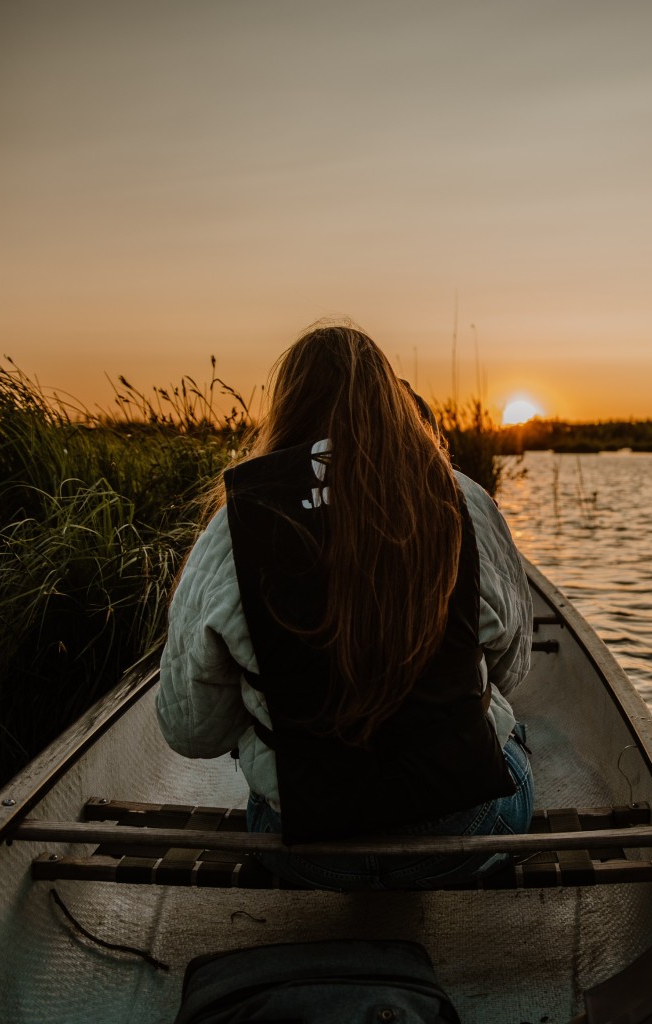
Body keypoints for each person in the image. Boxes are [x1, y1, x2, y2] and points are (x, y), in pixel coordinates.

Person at [156, 323, 534, 889]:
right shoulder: (461, 497)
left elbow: (193, 733)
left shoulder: (236, 524)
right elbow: (513, 668)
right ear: (392, 404)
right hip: (470, 833)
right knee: (512, 730)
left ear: (287, 408)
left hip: (305, 851)